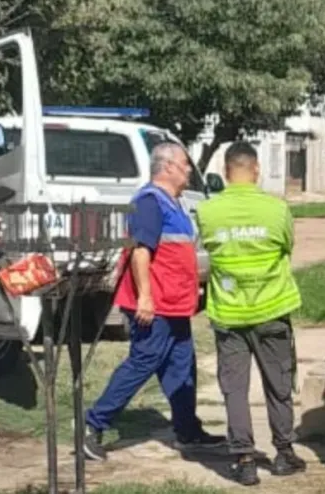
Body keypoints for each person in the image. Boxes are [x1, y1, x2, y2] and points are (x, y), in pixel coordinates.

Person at [82, 142, 224, 461]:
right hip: (154, 305)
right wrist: (145, 297)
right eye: (185, 163)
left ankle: (188, 431)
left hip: (174, 304)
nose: (189, 169)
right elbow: (140, 251)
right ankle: (93, 425)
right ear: (168, 166)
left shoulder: (174, 202)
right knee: (143, 361)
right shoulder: (149, 202)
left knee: (181, 366)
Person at [195, 142, 307, 486]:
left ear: (226, 171)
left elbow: (209, 249)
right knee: (278, 385)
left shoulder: (208, 211)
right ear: (256, 169)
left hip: (229, 313)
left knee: (235, 389)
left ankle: (243, 459)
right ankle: (284, 453)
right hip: (272, 309)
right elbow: (287, 246)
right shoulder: (277, 209)